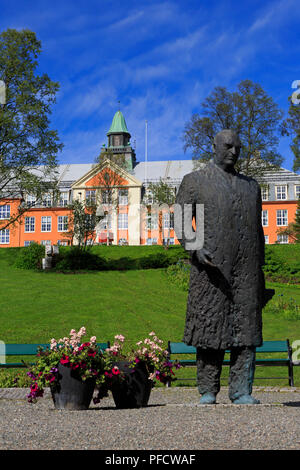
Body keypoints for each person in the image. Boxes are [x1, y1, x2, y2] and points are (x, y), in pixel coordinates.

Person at [175, 129, 273, 405]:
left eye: (238, 148)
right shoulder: (195, 181)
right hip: (211, 269)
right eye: (228, 147)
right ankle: (208, 389)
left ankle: (242, 390)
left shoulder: (250, 186)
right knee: (210, 328)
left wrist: (261, 269)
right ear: (214, 145)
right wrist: (194, 247)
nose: (234, 152)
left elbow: (258, 229)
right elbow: (182, 220)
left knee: (246, 332)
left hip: (247, 269)